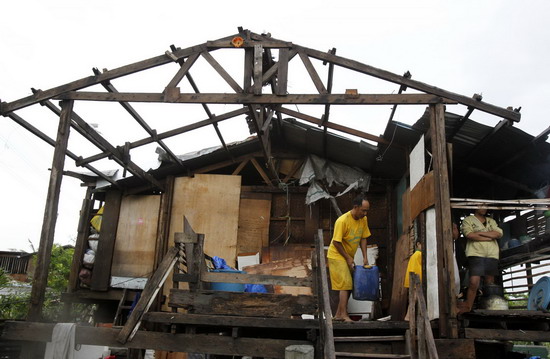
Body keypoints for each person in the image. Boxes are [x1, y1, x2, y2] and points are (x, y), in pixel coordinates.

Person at [327, 195, 371, 322]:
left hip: (348, 256)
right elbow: (336, 242)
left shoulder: (364, 220)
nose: (365, 213)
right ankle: (344, 315)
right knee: (346, 284)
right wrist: (347, 258)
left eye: (367, 210)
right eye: (363, 210)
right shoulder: (342, 221)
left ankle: (338, 314)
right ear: (355, 207)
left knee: (350, 284)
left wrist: (365, 257)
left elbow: (363, 238)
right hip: (337, 255)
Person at [458, 205, 503, 314]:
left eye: (486, 205)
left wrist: (479, 233)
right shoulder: (468, 220)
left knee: (489, 282)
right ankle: (468, 306)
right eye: (481, 205)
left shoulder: (491, 221)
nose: (484, 208)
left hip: (492, 254)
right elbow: (469, 235)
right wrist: (489, 237)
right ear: (475, 207)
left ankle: (488, 306)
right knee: (474, 282)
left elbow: (499, 233)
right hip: (476, 253)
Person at [403, 240, 422, 321]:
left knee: (414, 299)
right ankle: (408, 317)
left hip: (413, 279)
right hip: (416, 280)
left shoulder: (415, 255)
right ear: (418, 244)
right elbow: (417, 269)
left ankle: (409, 316)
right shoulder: (419, 255)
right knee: (415, 298)